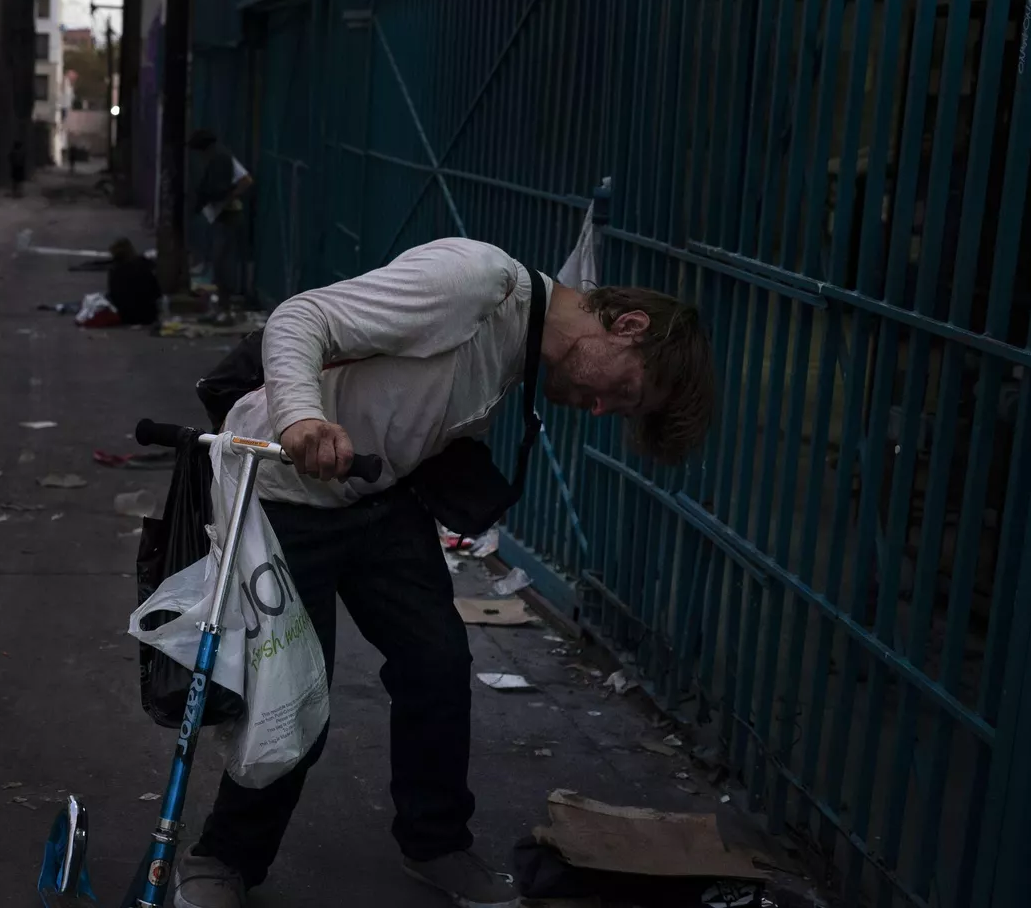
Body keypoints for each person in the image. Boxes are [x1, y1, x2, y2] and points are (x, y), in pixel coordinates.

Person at [173, 238, 715, 908]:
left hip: (377, 497)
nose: (600, 409)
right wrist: (303, 418)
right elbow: (299, 319)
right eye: (624, 391)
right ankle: (224, 857)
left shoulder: (524, 342)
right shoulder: (471, 282)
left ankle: (436, 843)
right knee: (292, 694)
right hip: (286, 497)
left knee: (437, 664)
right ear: (628, 326)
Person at [187, 128, 254, 322]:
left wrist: (226, 198)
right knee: (220, 263)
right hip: (222, 216)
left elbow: (246, 181)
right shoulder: (219, 158)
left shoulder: (222, 159)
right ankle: (223, 306)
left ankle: (226, 308)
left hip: (228, 216)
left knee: (222, 262)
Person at [106, 237, 161, 327]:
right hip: (148, 315)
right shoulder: (143, 265)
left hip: (126, 316)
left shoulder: (114, 271)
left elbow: (114, 294)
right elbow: (156, 291)